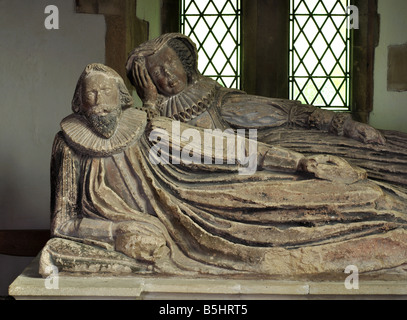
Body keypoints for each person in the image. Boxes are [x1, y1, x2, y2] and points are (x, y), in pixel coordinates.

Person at [40, 63, 407, 278]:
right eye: (89, 96)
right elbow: (63, 223)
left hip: (203, 195)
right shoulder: (68, 145)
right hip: (161, 231)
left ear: (122, 97)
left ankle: (381, 214)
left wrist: (297, 161)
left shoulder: (149, 127)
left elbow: (227, 148)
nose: (97, 104)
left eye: (104, 94)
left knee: (321, 194)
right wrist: (115, 229)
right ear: (78, 101)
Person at [126, 33, 407, 188]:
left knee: (375, 159)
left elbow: (288, 113)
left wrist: (342, 124)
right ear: (148, 82)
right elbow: (157, 147)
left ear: (185, 63)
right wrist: (150, 101)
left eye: (170, 64)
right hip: (225, 180)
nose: (167, 75)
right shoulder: (154, 115)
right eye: (156, 73)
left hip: (277, 154)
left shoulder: (217, 101)